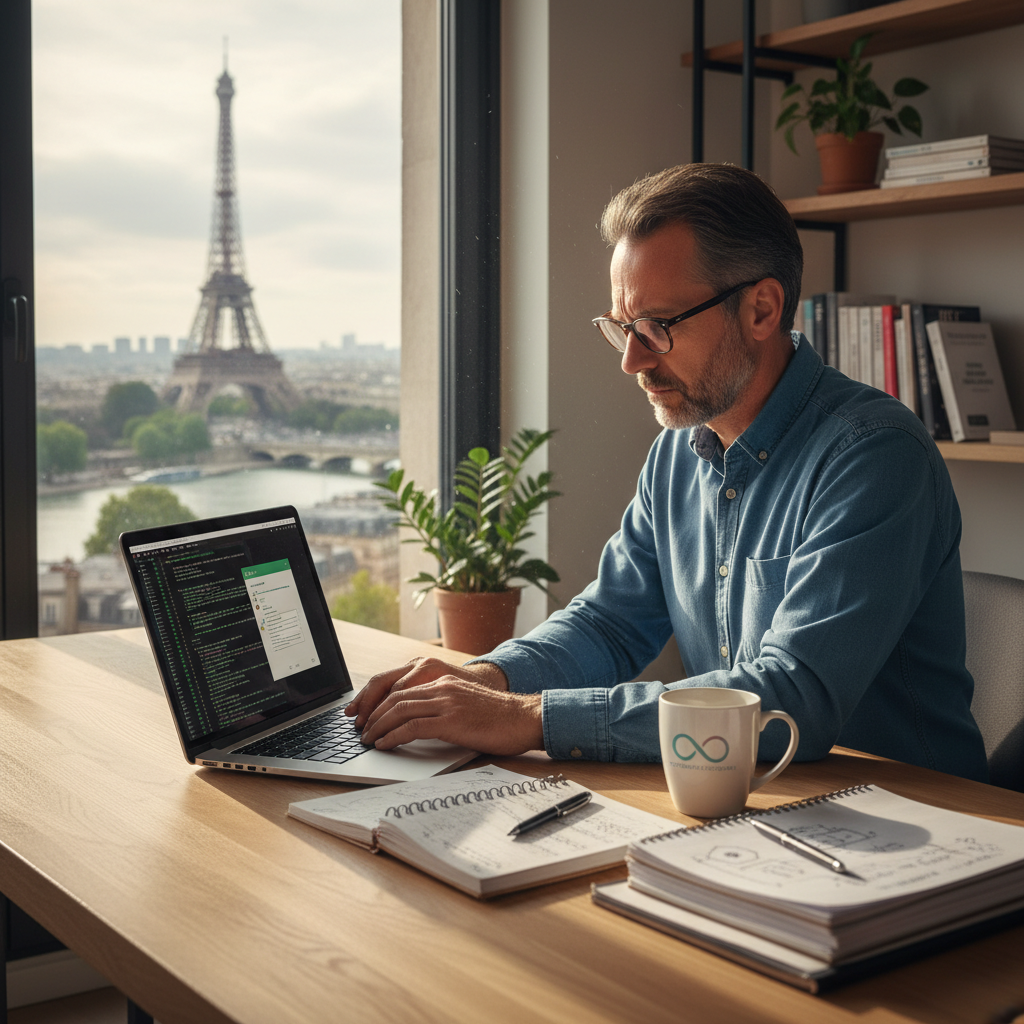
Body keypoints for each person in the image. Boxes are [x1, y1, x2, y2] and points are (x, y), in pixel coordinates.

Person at [348, 162, 989, 782]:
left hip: (919, 827)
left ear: (762, 310)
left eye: (656, 327)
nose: (631, 361)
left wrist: (528, 717)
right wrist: (488, 679)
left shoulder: (875, 454)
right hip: (755, 800)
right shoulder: (679, 452)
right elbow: (611, 623)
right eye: (622, 327)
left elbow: (794, 696)